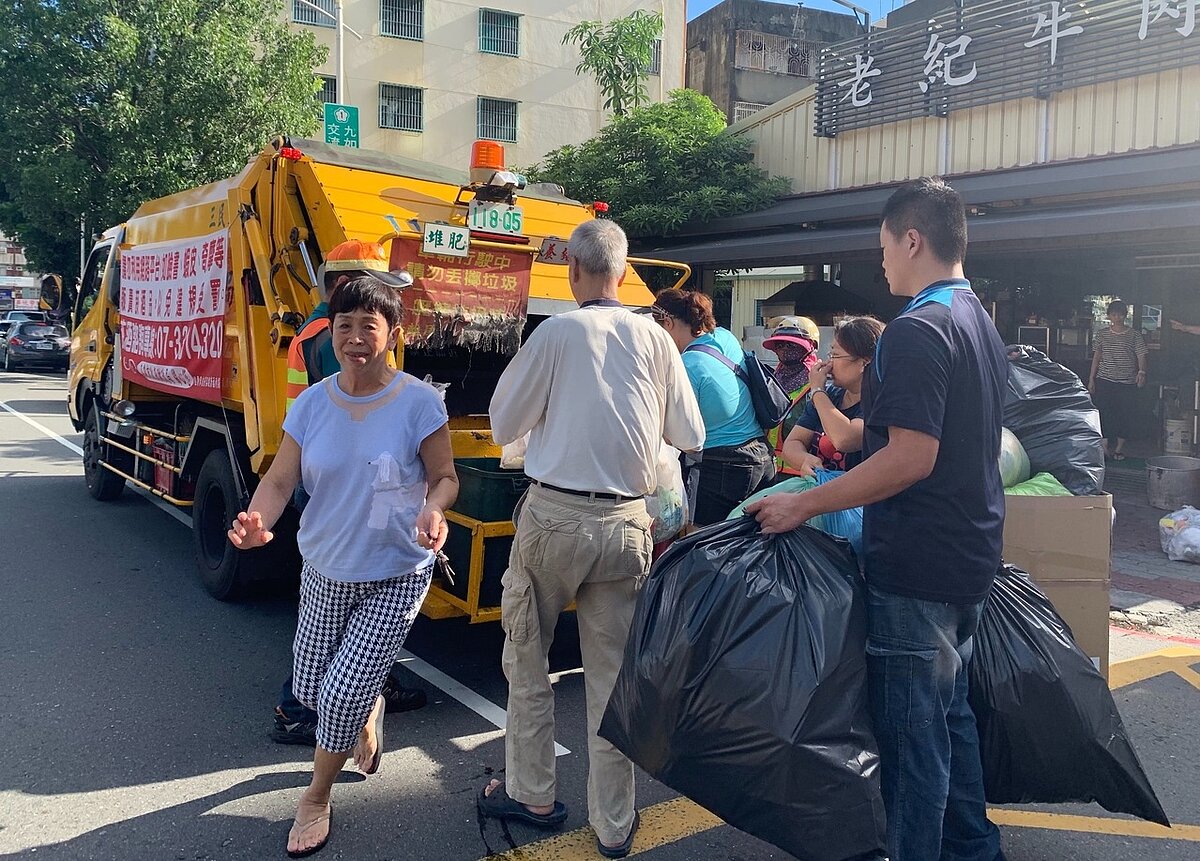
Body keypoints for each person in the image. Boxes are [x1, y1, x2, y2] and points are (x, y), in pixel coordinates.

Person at [749, 177, 1008, 861]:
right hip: (966, 560)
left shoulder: (919, 329)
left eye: (885, 246)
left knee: (912, 750)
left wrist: (802, 503)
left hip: (917, 569)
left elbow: (909, 459)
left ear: (913, 239)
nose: (883, 260)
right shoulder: (977, 318)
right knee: (950, 728)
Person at [479, 220, 704, 860]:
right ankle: (614, 824)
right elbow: (689, 434)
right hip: (627, 526)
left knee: (529, 660)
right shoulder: (658, 340)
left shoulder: (555, 334)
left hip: (554, 520)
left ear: (575, 270)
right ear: (624, 268)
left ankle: (533, 793)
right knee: (611, 678)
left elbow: (502, 422)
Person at [229, 276, 459, 857]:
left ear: (393, 333)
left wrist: (433, 510)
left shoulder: (419, 402)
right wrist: (258, 522)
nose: (356, 338)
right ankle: (367, 702)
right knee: (310, 689)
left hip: (396, 570)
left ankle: (317, 796)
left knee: (335, 698)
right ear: (331, 333)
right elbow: (279, 481)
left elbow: (445, 478)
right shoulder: (311, 404)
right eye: (345, 326)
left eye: (369, 326)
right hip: (326, 568)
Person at [273, 240, 424, 748]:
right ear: (344, 285)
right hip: (327, 481)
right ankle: (306, 706)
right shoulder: (322, 338)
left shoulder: (413, 398)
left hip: (363, 506)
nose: (358, 337)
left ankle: (353, 697)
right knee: (320, 645)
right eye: (372, 291)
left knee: (347, 652)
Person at [650, 288, 775, 525]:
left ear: (667, 323)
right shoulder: (723, 338)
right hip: (761, 456)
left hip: (722, 468)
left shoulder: (686, 366)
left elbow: (676, 434)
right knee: (754, 544)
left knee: (706, 546)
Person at [781, 316, 884, 475]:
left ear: (864, 362)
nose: (828, 364)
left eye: (835, 355)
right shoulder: (830, 395)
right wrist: (805, 459)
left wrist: (816, 390)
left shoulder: (880, 400)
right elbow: (792, 444)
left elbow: (845, 439)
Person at [762, 316, 822, 477]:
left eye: (792, 344)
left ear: (811, 347)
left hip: (801, 475)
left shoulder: (818, 384)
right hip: (768, 472)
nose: (785, 349)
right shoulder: (771, 380)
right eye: (780, 344)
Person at [1089, 300, 1147, 461]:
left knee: (1124, 414)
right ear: (1109, 316)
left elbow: (1141, 354)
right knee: (1104, 413)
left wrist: (1142, 372)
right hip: (1105, 379)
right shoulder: (1102, 334)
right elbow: (1097, 356)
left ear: (1125, 315)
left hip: (1127, 381)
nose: (1117, 317)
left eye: (1120, 314)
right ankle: (1105, 446)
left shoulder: (1134, 334)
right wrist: (1091, 379)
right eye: (1113, 314)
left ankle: (1119, 448)